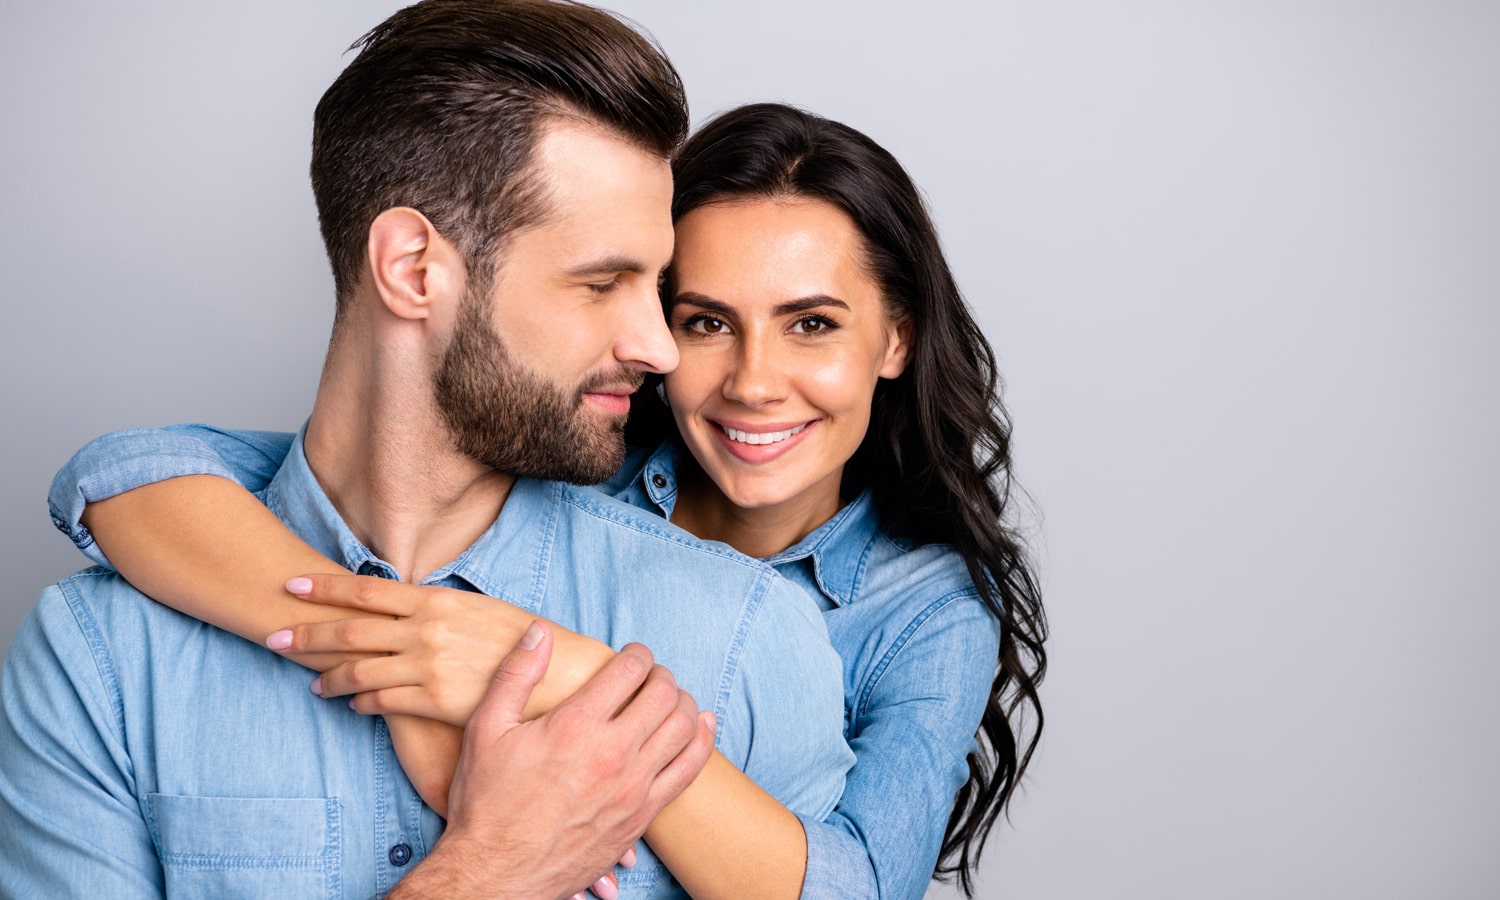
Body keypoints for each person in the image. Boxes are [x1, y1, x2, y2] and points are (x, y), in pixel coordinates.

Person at [46, 104, 1048, 898]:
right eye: (702, 320)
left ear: (896, 340)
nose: (752, 380)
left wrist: (561, 673)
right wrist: (392, 645)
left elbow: (858, 888)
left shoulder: (924, 614)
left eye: (812, 324)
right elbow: (137, 475)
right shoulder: (568, 459)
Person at [0, 4, 856, 899]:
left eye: (658, 287)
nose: (661, 347)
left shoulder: (746, 638)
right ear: (413, 268)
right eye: (602, 282)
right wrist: (489, 873)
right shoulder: (100, 657)